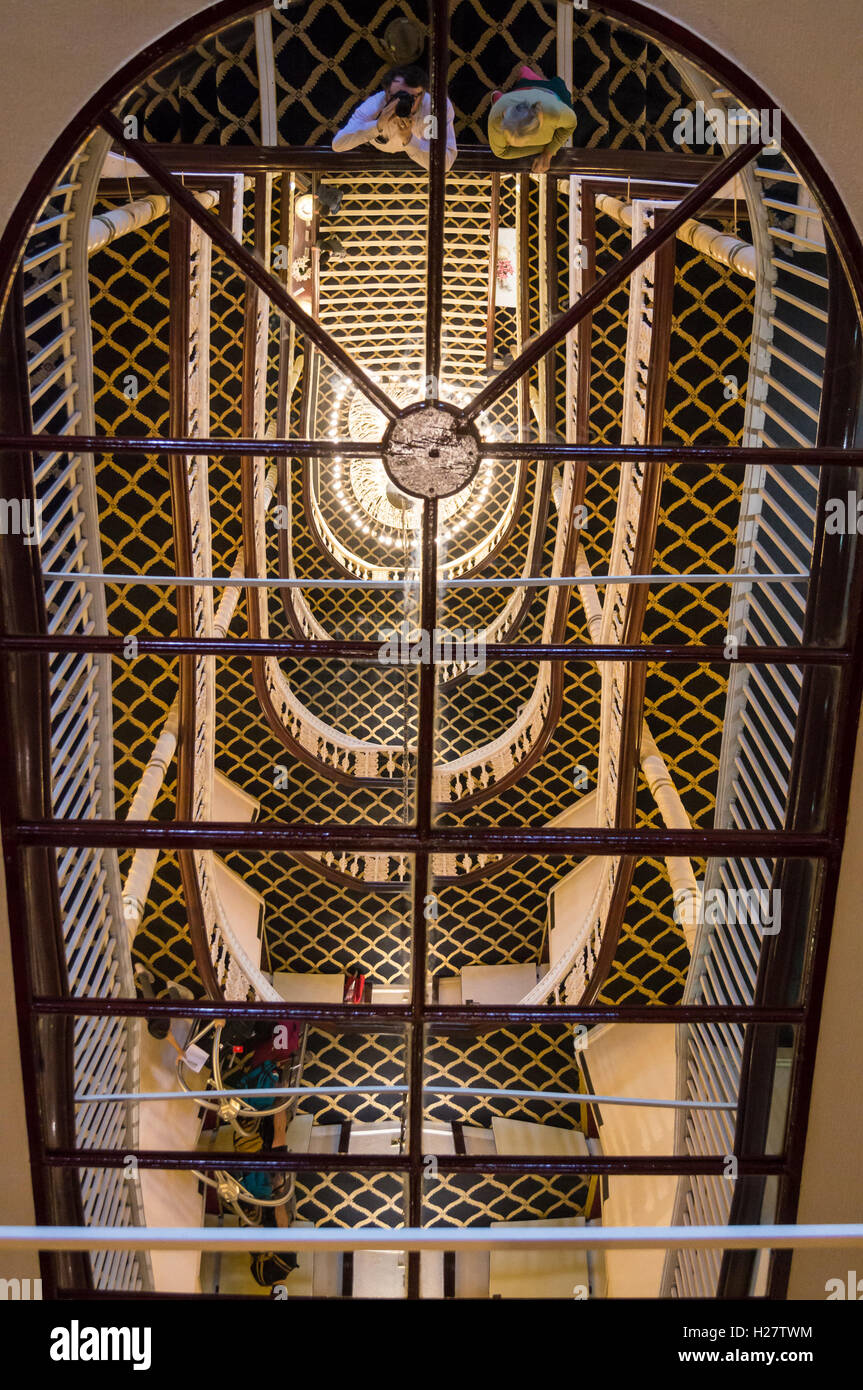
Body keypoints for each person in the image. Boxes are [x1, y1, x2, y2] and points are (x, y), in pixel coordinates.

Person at [332, 65, 457, 172]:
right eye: (398, 95)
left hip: (419, 171)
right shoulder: (375, 105)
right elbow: (338, 145)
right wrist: (377, 126)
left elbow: (444, 163)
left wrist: (409, 139)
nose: (404, 101)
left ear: (423, 94)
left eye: (412, 97)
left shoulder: (433, 109)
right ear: (386, 93)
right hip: (377, 163)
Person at [488, 64, 577, 173]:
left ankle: (529, 78)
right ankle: (526, 79)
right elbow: (500, 152)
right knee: (523, 87)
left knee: (534, 85)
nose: (508, 143)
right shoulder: (497, 117)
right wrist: (548, 148)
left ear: (540, 120)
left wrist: (547, 154)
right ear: (505, 114)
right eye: (509, 141)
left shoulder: (554, 112)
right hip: (516, 96)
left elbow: (571, 124)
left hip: (550, 94)